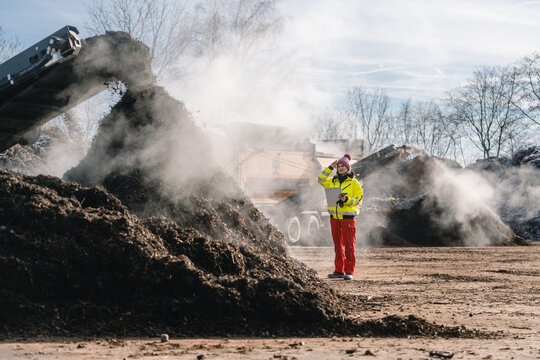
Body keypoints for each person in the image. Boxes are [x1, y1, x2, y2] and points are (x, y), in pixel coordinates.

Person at [317, 154, 363, 280]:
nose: (341, 168)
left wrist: (346, 199)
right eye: (339, 166)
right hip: (334, 218)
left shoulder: (355, 183)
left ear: (348, 168)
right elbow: (320, 180)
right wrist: (330, 167)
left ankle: (349, 271)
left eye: (343, 166)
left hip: (348, 218)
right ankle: (339, 270)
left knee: (349, 246)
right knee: (337, 245)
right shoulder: (332, 181)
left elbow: (358, 200)